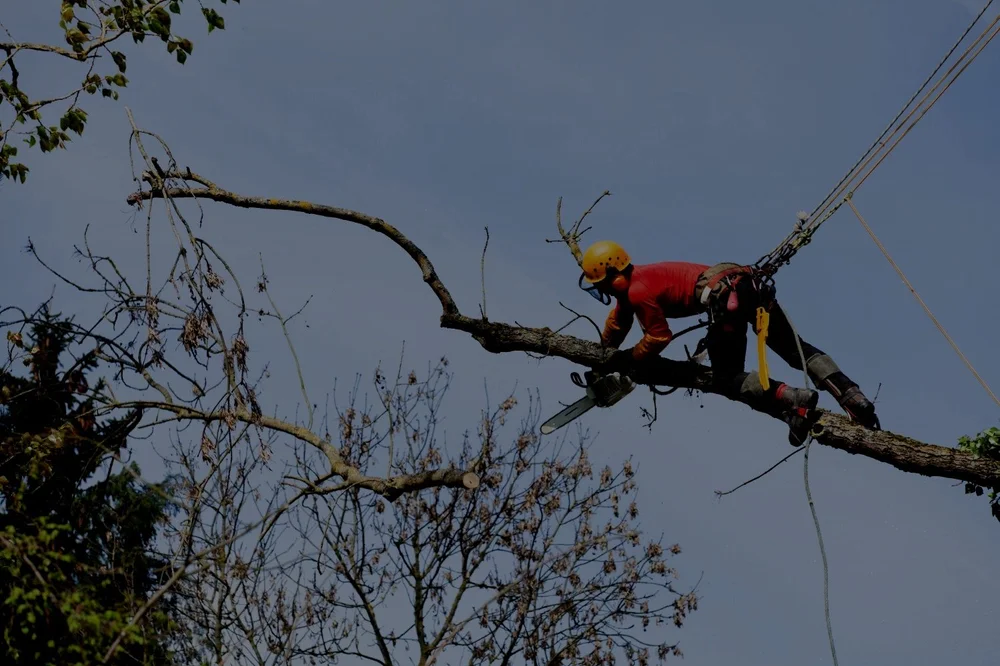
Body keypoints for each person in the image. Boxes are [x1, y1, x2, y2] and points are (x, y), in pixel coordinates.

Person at [578, 240, 880, 445]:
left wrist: (631, 359)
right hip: (748, 287)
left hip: (726, 304)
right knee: (794, 349)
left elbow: (658, 337)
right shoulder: (638, 283)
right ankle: (852, 397)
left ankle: (793, 400)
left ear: (614, 275)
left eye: (602, 284)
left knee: (728, 379)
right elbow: (618, 323)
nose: (604, 290)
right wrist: (602, 355)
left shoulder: (637, 290)